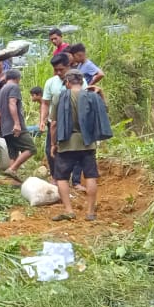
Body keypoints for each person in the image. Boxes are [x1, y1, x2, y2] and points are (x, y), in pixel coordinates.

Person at [50, 70, 112, 221]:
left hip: (66, 143)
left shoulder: (60, 97)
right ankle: (90, 212)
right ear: (82, 82)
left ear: (68, 83)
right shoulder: (92, 97)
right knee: (90, 176)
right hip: (87, 143)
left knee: (62, 177)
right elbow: (104, 112)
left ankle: (69, 210)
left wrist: (53, 143)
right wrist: (101, 93)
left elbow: (54, 124)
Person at [40, 53, 88, 188]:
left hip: (75, 123)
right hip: (54, 122)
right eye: (55, 70)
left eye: (61, 69)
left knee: (78, 150)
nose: (58, 72)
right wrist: (42, 119)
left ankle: (76, 181)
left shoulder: (81, 82)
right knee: (51, 150)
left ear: (69, 66)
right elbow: (45, 103)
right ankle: (56, 177)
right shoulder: (51, 82)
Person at [0, 69, 35, 181]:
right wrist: (17, 124)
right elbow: (12, 104)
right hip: (13, 126)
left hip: (5, 127)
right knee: (31, 148)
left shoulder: (2, 89)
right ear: (17, 78)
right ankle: (12, 169)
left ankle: (10, 179)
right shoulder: (14, 87)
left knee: (13, 152)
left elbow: (0, 110)